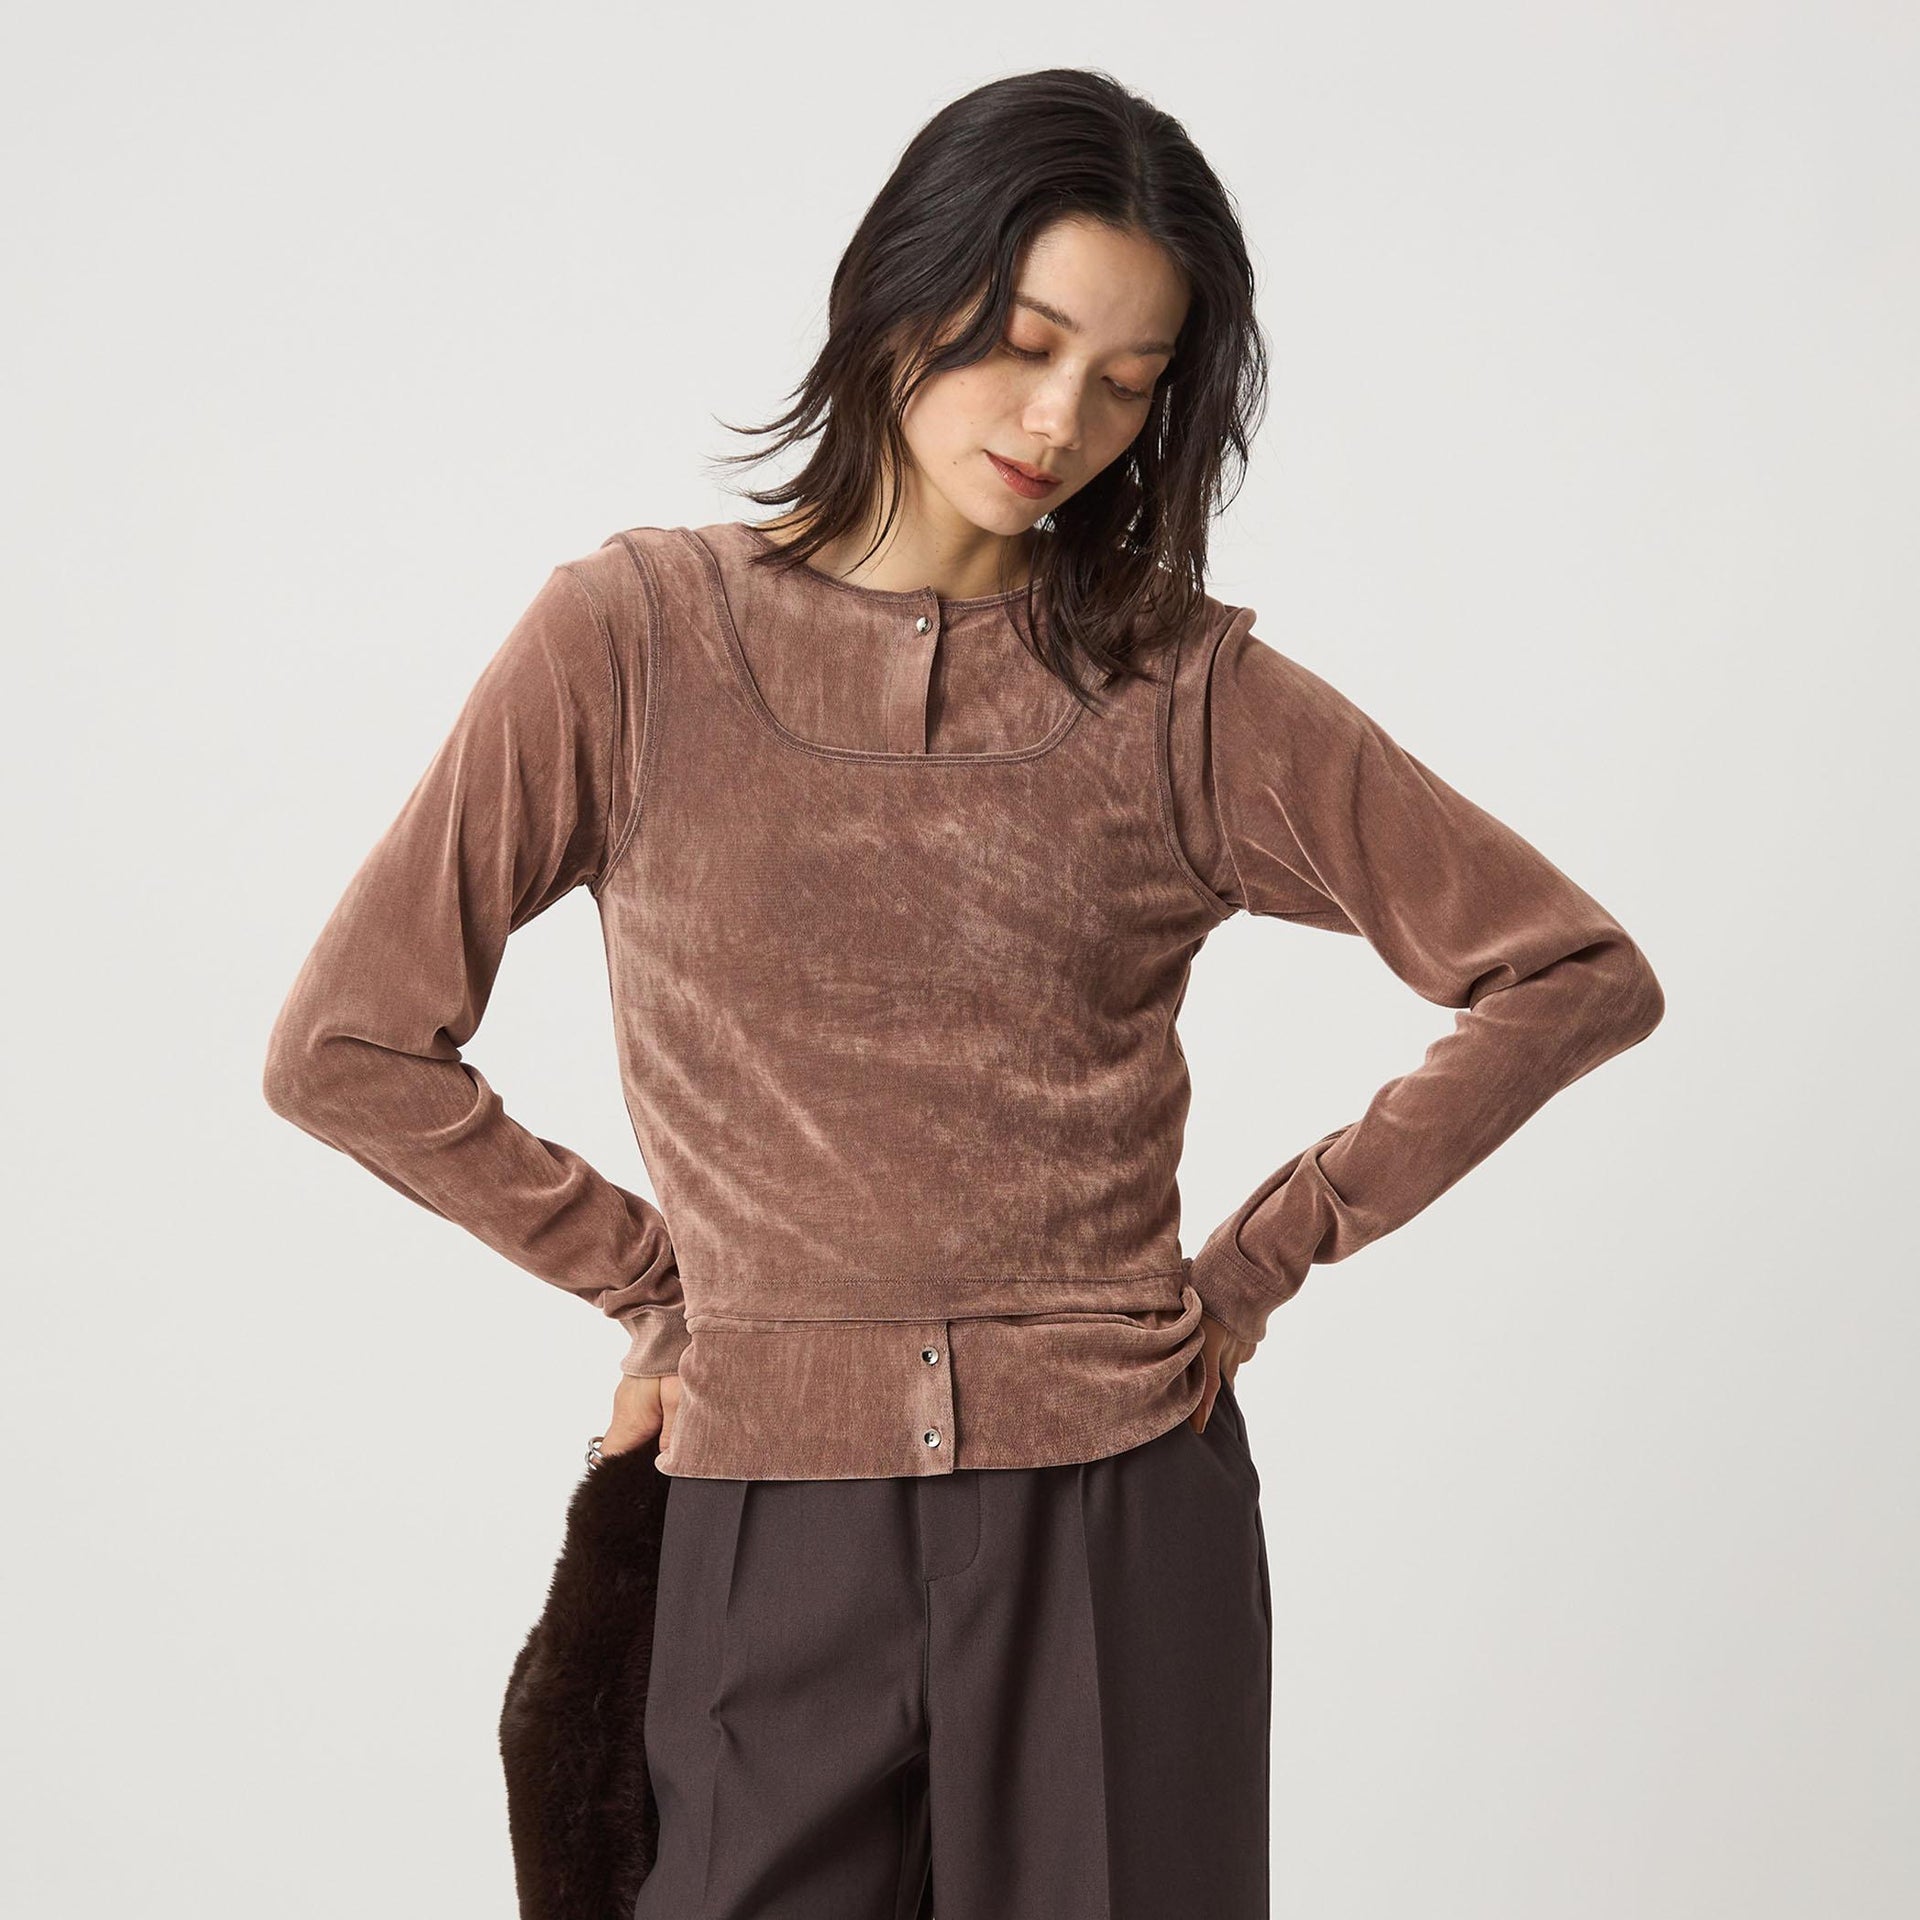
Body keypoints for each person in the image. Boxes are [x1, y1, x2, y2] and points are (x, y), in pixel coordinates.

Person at [262, 66, 1664, 1920]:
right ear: (900, 288)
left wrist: (1259, 1264)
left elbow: (1569, 970)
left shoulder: (1185, 695)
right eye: (1023, 340)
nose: (1062, 419)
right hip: (768, 1513)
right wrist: (665, 1284)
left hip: (1115, 1508)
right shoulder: (631, 644)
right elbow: (347, 1048)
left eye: (1132, 379)